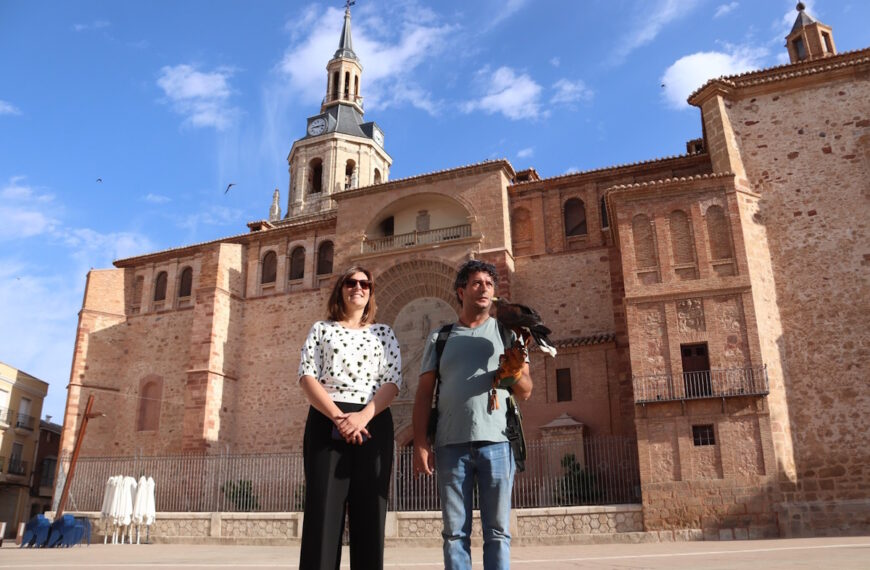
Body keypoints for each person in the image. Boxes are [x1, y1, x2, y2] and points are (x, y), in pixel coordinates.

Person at [412, 260, 532, 570]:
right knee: (454, 533)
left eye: (489, 284)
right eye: (477, 283)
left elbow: (526, 390)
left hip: (498, 443)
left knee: (498, 532)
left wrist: (514, 371)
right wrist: (420, 443)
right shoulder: (440, 338)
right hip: (450, 444)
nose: (484, 289)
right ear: (461, 291)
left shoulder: (508, 333)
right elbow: (424, 394)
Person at [297, 265, 402, 570]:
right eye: (351, 282)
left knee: (370, 513)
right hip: (327, 417)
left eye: (365, 284)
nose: (358, 288)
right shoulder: (321, 329)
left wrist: (362, 417)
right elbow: (307, 376)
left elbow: (393, 381)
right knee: (323, 514)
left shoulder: (384, 333)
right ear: (340, 289)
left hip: (373, 419)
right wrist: (340, 418)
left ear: (370, 292)